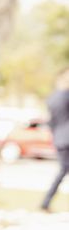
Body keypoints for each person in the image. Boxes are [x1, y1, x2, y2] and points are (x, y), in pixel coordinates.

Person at [41, 68, 69, 212]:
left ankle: (46, 202)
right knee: (63, 170)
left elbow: (51, 123)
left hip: (59, 139)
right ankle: (45, 202)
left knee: (63, 170)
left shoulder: (51, 98)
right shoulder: (66, 96)